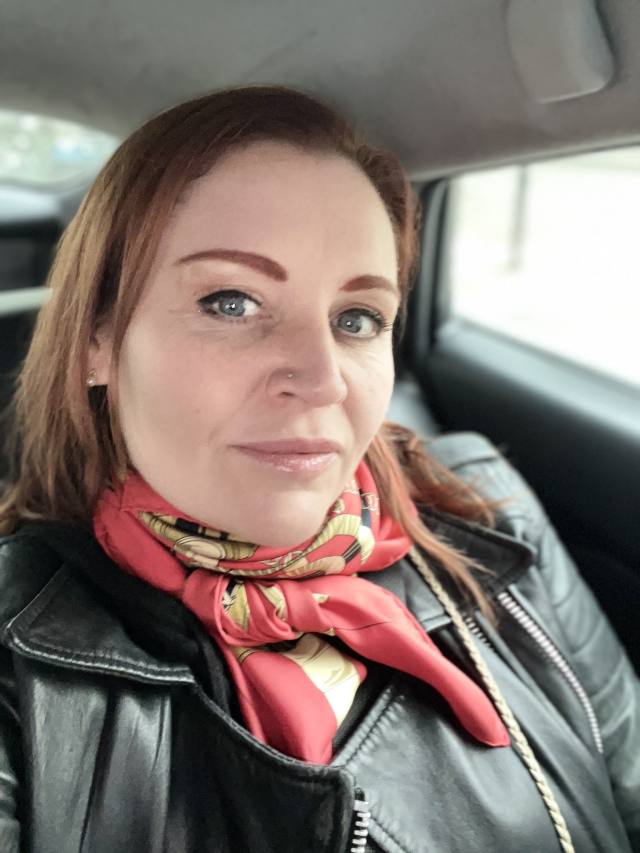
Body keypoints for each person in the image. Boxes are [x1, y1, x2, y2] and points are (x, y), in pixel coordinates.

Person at [0, 85, 637, 853]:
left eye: (357, 318)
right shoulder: (19, 667)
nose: (323, 376)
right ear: (97, 340)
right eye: (232, 302)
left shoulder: (488, 511)